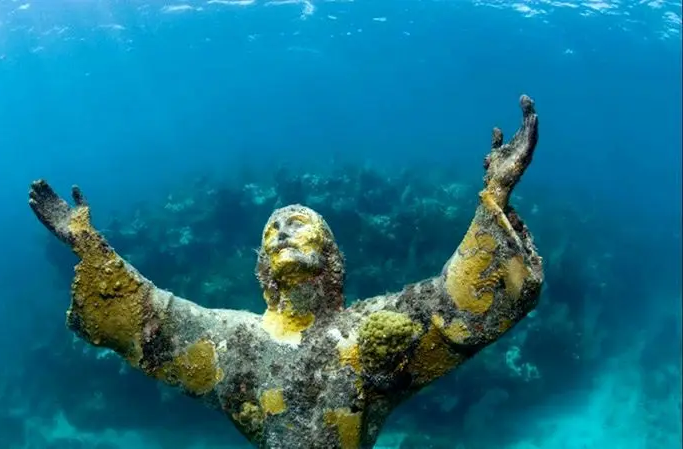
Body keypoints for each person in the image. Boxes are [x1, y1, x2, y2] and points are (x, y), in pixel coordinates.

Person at [27, 95, 543, 449]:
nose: (282, 234)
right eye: (272, 231)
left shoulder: (370, 334)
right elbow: (152, 324)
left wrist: (495, 194)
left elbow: (456, 307)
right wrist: (89, 246)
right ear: (263, 265)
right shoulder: (232, 342)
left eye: (299, 226)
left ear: (330, 255)